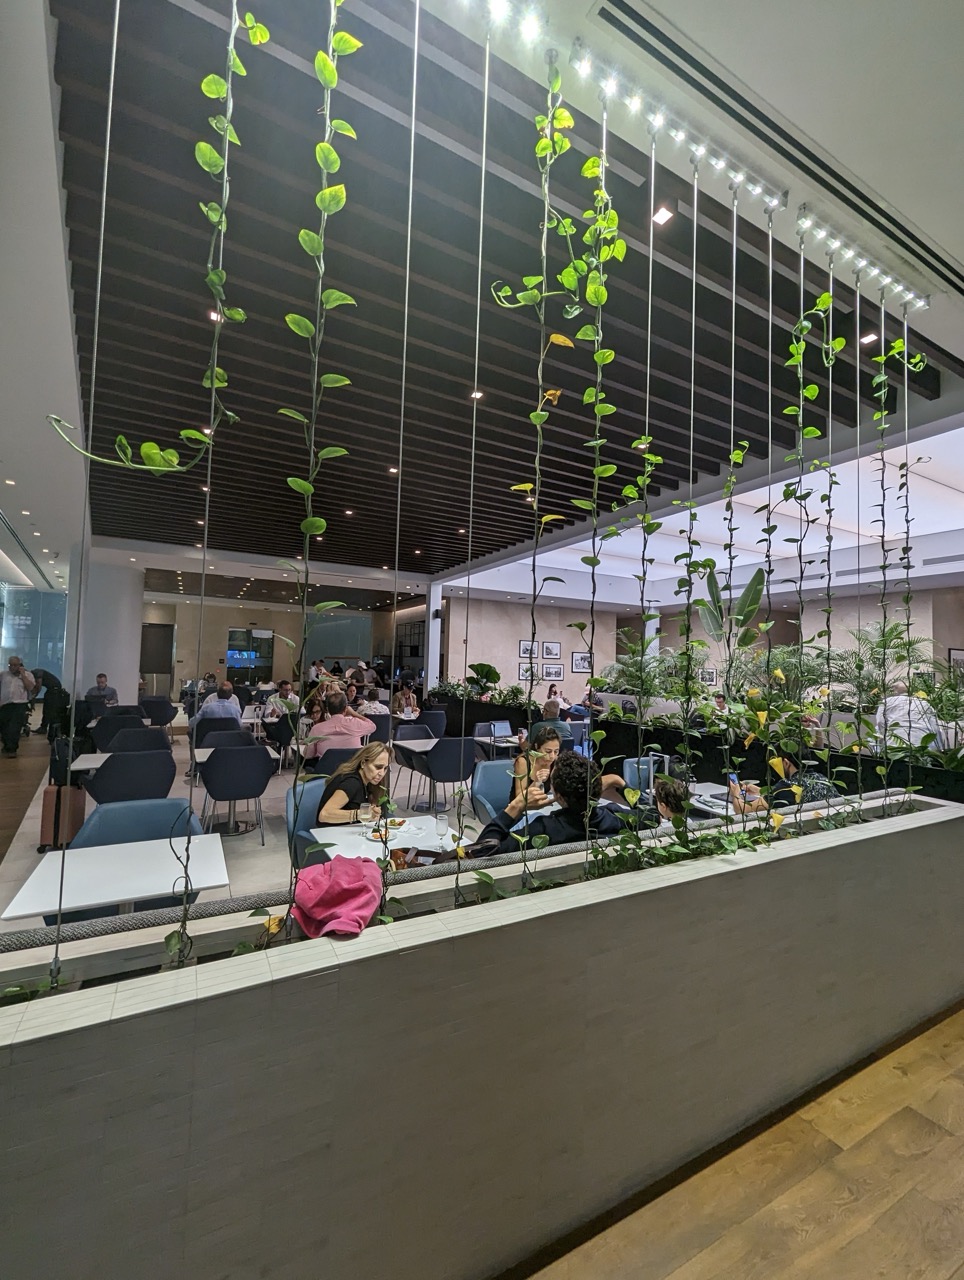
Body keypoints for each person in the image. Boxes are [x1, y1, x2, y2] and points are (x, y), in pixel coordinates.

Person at [478, 752, 629, 853]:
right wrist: (619, 781)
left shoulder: (542, 831)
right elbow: (652, 814)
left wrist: (516, 805)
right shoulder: (617, 817)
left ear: (560, 798)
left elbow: (480, 852)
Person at [729, 754, 837, 814]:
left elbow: (743, 811)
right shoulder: (823, 779)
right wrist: (762, 792)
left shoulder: (787, 786)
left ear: (786, 762)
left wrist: (736, 794)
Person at [314, 743, 390, 825]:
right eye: (378, 767)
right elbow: (324, 815)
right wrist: (360, 814)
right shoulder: (351, 783)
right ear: (363, 763)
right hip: (331, 833)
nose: (382, 773)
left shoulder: (370, 781)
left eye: (385, 768)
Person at [302, 691, 377, 766]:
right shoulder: (355, 723)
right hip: (351, 772)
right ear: (345, 709)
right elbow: (372, 726)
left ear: (327, 710)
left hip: (326, 773)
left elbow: (308, 754)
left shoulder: (317, 729)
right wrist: (354, 713)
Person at [875, 682, 943, 748]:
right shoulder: (924, 704)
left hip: (894, 745)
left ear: (895, 691)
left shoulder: (886, 702)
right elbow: (935, 727)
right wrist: (940, 748)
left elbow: (880, 722)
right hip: (922, 745)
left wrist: (883, 741)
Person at [511, 726, 562, 800]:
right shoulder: (523, 762)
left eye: (556, 751)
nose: (552, 756)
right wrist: (536, 783)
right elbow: (519, 798)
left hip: (540, 805)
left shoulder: (556, 761)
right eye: (548, 751)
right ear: (537, 746)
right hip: (520, 808)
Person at [0, 657, 37, 758]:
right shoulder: (3, 675)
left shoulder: (28, 675)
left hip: (19, 704)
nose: (12, 667)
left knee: (14, 728)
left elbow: (30, 687)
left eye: (15, 665)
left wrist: (23, 675)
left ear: (20, 665)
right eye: (10, 665)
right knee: (4, 727)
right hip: (5, 704)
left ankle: (12, 749)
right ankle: (7, 745)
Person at [30, 668, 65, 739]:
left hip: (54, 690)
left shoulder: (37, 673)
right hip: (53, 689)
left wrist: (34, 696)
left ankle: (44, 728)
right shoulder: (36, 672)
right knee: (47, 709)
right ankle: (44, 727)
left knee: (48, 709)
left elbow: (38, 686)